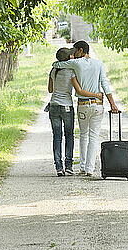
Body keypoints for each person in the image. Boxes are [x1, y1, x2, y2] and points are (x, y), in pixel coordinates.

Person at [52, 40, 118, 177]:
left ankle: (82, 166)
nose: (74, 54)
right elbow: (105, 83)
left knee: (83, 135)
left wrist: (57, 63)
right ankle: (89, 168)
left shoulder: (76, 63)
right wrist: (112, 103)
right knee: (93, 136)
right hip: (97, 105)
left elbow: (57, 64)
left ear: (80, 50)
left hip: (83, 105)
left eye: (75, 51)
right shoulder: (99, 64)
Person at [48, 47, 103, 177]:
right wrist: (97, 95)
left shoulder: (53, 71)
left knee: (56, 137)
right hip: (67, 106)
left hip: (53, 106)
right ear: (69, 57)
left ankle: (58, 167)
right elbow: (78, 90)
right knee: (69, 136)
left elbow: (50, 90)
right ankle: (68, 166)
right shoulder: (72, 72)